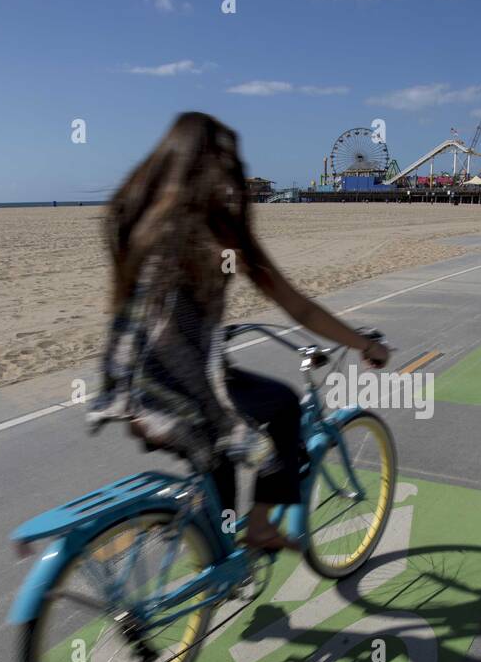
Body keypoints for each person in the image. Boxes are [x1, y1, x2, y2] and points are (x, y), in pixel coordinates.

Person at [88, 112, 391, 551]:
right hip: (186, 383)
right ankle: (261, 526)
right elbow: (299, 306)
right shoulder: (218, 229)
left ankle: (218, 553)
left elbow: (151, 309)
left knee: (220, 465)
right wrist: (364, 344)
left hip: (132, 380)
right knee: (283, 405)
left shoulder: (132, 216)